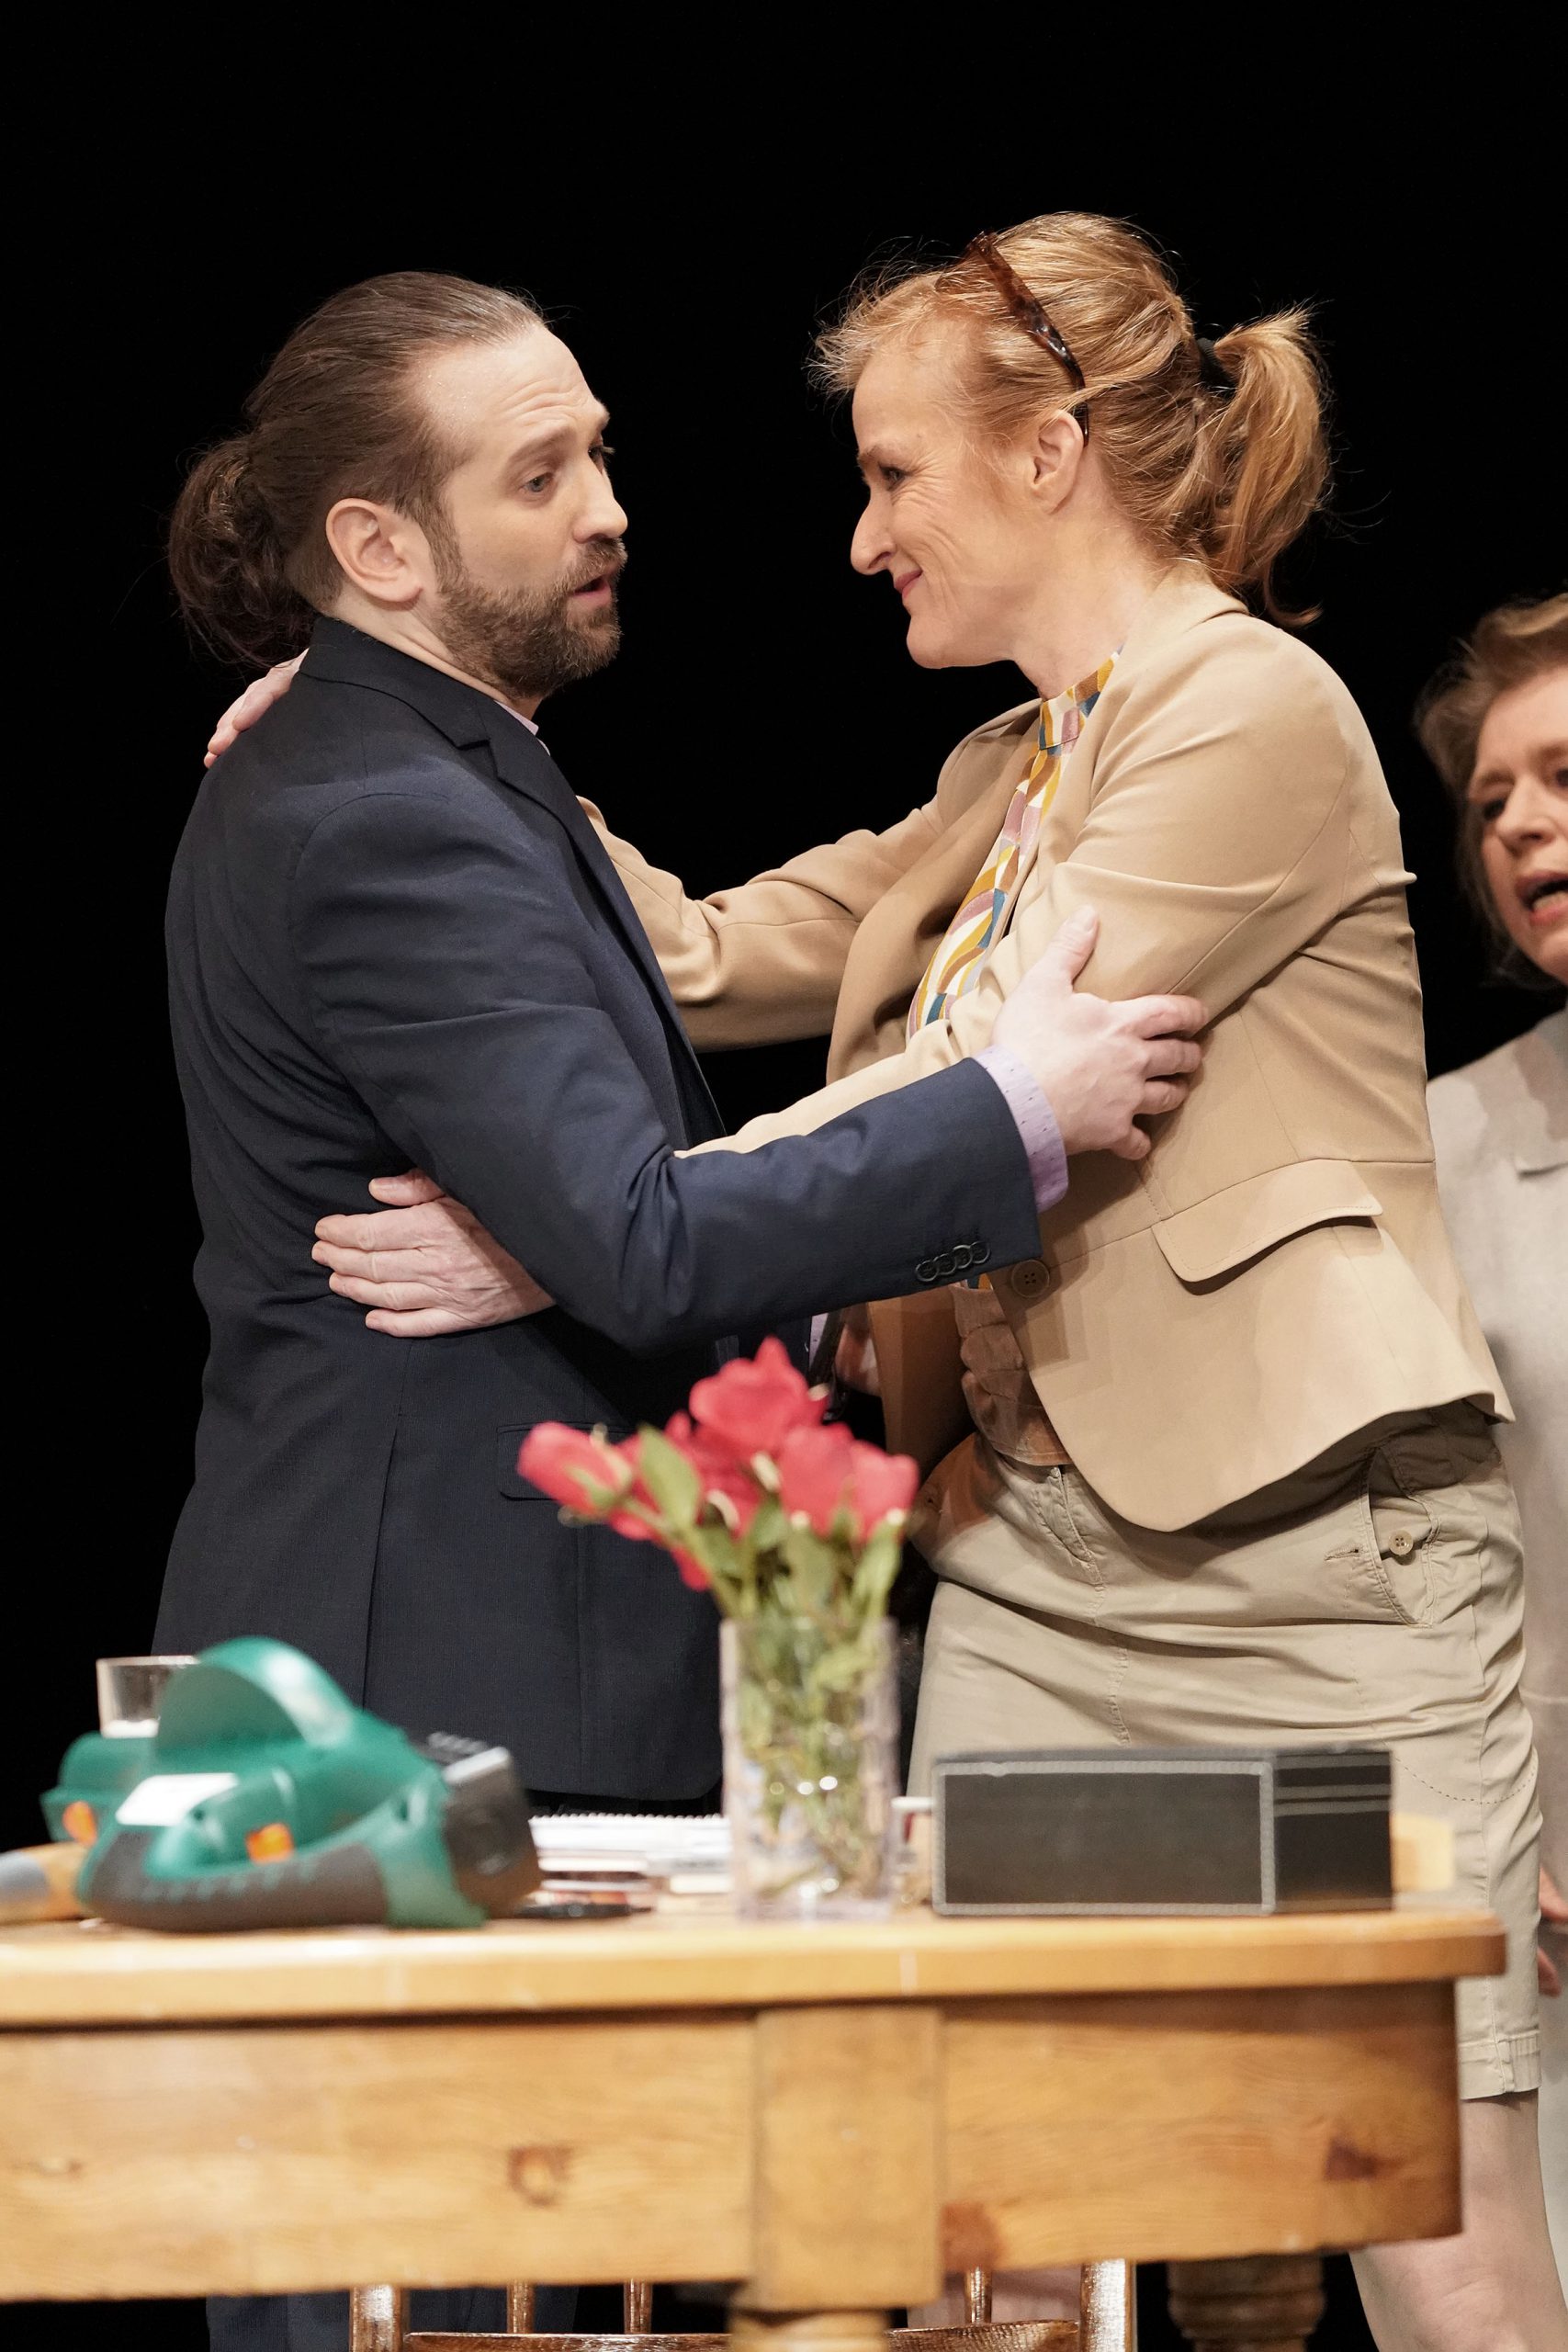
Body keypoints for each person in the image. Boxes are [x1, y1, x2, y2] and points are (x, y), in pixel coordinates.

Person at [299, 218, 1562, 2350]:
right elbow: (698, 950)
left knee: (1425, 2221)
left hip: (1316, 1572)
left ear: (1046, 450)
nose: (864, 533)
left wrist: (591, 1220)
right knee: (984, 2218)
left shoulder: (1248, 710)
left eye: (892, 473)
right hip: (1039, 1571)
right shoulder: (1010, 769)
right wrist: (402, 717)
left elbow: (986, 1082)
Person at [159, 267, 1203, 2352]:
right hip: (438, 1703)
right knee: (434, 2298)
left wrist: (593, 1236)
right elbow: (639, 1237)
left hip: (458, 1681)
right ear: (380, 546)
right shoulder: (388, 813)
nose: (607, 505)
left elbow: (625, 1168)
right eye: (540, 474)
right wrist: (1004, 1113)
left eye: (600, 453)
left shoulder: (427, 770)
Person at [1417, 594, 1568, 2286]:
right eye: (1493, 802)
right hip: (1538, 1895)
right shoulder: (1446, 1146)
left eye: (1567, 776)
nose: (1522, 824)